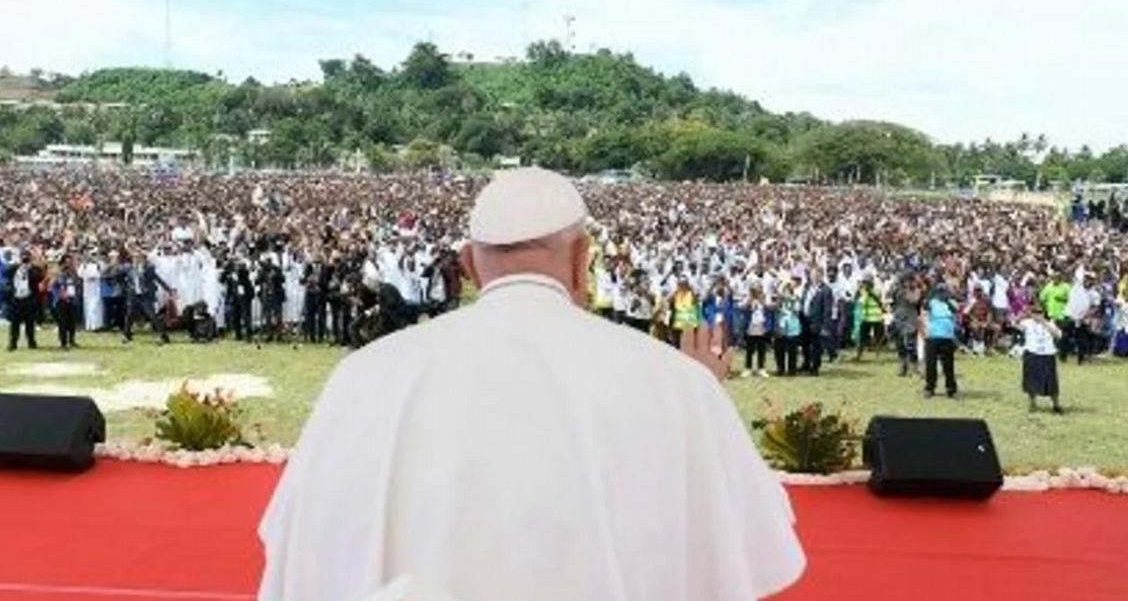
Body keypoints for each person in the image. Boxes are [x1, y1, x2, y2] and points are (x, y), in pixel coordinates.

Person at [259, 167, 804, 601]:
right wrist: (701, 394)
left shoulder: (365, 373)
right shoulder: (676, 384)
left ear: (469, 264)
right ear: (582, 258)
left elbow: (300, 545)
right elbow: (753, 549)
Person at [1017, 303, 1064, 414]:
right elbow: (1015, 324)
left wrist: (1043, 322)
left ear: (1044, 313)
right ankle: (1032, 403)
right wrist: (1022, 314)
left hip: (1048, 355)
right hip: (1032, 354)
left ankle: (1056, 405)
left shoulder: (1050, 323)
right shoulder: (1027, 323)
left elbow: (1058, 335)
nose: (1037, 314)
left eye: (1040, 312)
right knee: (1031, 382)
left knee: (1051, 382)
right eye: (1035, 312)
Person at [922, 283, 959, 398]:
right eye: (940, 292)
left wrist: (947, 301)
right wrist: (925, 331)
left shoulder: (951, 303)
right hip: (932, 337)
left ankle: (950, 388)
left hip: (947, 337)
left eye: (944, 292)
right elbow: (924, 313)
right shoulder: (930, 303)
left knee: (948, 365)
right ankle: (930, 388)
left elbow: (955, 312)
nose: (942, 294)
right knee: (931, 365)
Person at [4, 248, 44, 351]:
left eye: (27, 257)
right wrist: (18, 265)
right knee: (14, 323)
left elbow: (40, 276)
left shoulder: (33, 269)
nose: (25, 259)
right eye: (23, 256)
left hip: (29, 298)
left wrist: (30, 267)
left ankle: (31, 342)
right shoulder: (14, 268)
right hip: (16, 299)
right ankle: (12, 343)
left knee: (30, 323)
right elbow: (5, 273)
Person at [51, 254, 83, 350]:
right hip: (61, 300)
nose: (68, 264)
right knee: (63, 322)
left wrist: (77, 293)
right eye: (66, 262)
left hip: (72, 300)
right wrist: (60, 294)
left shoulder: (74, 272)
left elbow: (78, 284)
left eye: (70, 262)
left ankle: (72, 340)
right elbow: (53, 286)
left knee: (72, 322)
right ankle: (63, 343)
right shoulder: (57, 272)